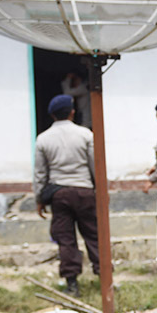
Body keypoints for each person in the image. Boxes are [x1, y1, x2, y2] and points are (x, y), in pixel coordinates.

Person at [34, 94, 100, 296]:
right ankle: (105, 277)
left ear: (52, 115)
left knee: (66, 239)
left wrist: (38, 199)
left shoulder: (43, 138)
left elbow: (40, 173)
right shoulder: (86, 135)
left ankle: (72, 284)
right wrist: (98, 190)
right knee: (94, 235)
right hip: (85, 191)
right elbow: (95, 165)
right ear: (72, 112)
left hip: (59, 194)